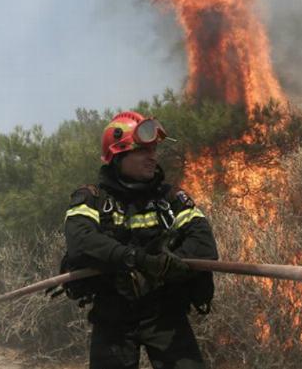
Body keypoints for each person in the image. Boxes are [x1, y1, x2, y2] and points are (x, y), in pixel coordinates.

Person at [63, 111, 218, 369]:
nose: (152, 157)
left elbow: (205, 246)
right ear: (118, 155)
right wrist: (136, 259)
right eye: (143, 151)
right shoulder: (91, 199)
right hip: (113, 313)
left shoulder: (171, 199)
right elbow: (81, 242)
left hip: (165, 311)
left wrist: (167, 265)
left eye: (154, 150)